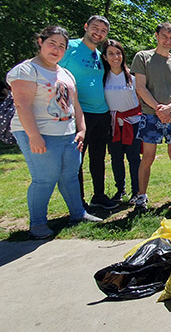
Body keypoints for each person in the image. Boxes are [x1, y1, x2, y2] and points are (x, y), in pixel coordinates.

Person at [7, 26, 102, 239]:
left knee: (69, 176)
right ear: (40, 42)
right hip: (39, 133)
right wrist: (34, 136)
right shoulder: (26, 70)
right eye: (52, 43)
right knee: (44, 178)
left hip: (68, 134)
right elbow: (23, 106)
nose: (56, 49)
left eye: (62, 46)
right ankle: (38, 223)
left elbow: (75, 105)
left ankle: (78, 213)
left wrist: (82, 130)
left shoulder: (66, 73)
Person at [130, 22, 171, 210]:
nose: (168, 41)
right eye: (164, 36)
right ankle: (141, 196)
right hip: (150, 115)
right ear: (156, 35)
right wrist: (159, 108)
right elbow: (140, 87)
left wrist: (170, 107)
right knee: (148, 156)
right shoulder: (143, 57)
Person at [59, 15, 116, 210]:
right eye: (95, 28)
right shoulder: (69, 48)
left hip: (102, 113)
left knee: (98, 157)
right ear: (86, 27)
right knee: (77, 160)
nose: (98, 33)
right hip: (78, 114)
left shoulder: (100, 56)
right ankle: (78, 202)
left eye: (103, 31)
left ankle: (99, 195)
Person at [102, 39, 142, 204]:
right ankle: (120, 189)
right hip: (112, 125)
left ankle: (137, 191)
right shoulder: (103, 78)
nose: (115, 57)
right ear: (104, 57)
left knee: (134, 159)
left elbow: (140, 100)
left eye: (118, 53)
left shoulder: (132, 78)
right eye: (111, 53)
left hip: (132, 123)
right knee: (116, 158)